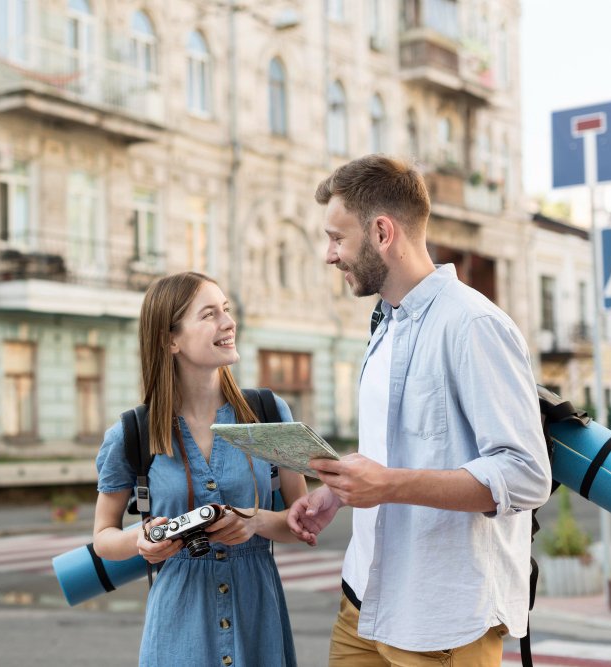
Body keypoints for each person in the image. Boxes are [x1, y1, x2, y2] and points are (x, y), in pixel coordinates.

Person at [287, 155, 552, 666]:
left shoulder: (473, 324)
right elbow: (402, 448)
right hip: (363, 599)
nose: (329, 255)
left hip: (441, 622)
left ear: (382, 232)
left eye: (337, 239)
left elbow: (525, 477)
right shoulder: (384, 325)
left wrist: (388, 485)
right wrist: (339, 494)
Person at [93, 271, 309, 667]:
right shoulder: (131, 432)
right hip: (178, 626)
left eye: (226, 310)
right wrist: (142, 540)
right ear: (169, 339)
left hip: (256, 619)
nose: (228, 322)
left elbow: (304, 521)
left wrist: (255, 521)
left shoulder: (267, 413)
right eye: (209, 314)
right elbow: (103, 538)